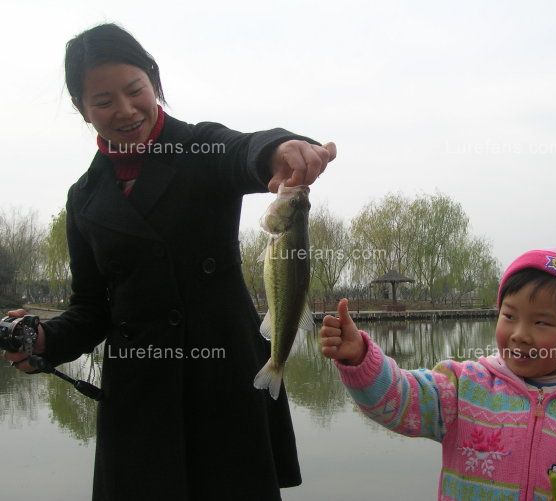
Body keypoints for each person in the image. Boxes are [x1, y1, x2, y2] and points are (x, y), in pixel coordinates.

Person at [3, 22, 336, 501]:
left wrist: (281, 150)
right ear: (81, 108)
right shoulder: (85, 198)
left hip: (224, 383)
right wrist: (44, 339)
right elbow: (91, 308)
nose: (125, 110)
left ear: (154, 81)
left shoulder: (199, 148)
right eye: (103, 100)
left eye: (135, 89)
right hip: (138, 399)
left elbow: (245, 150)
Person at [320, 248, 556, 500]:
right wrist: (360, 357)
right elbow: (400, 399)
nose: (520, 334)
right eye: (509, 316)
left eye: (542, 322)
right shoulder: (464, 388)